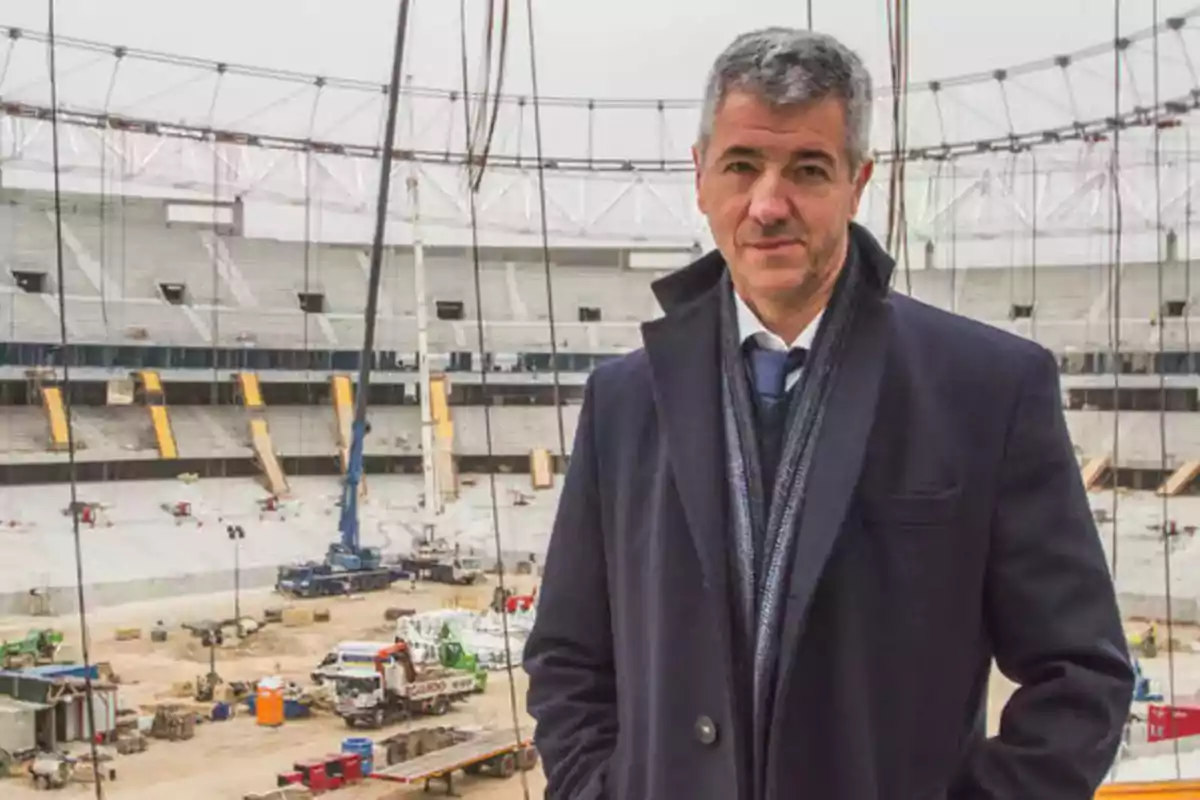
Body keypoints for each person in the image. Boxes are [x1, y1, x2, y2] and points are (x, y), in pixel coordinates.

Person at [524, 26, 1133, 800]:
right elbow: (568, 657)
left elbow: (1081, 675)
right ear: (701, 176)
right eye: (741, 166)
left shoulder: (988, 389)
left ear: (857, 181)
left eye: (807, 170)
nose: (767, 204)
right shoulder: (623, 403)